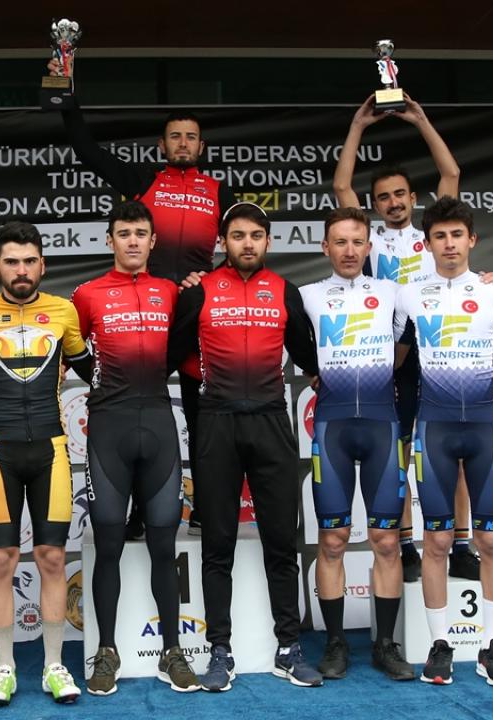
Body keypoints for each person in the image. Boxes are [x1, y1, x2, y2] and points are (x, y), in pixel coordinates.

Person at [48, 54, 236, 538]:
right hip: (144, 309)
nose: (183, 143)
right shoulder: (144, 182)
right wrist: (66, 95)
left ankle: (207, 511)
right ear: (162, 145)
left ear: (202, 146)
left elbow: (246, 244)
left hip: (189, 312)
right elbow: (87, 150)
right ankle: (133, 515)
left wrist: (212, 280)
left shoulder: (219, 190)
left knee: (202, 418)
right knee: (133, 415)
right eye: (175, 136)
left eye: (190, 136)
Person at [167, 203, 322, 692]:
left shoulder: (285, 290)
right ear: (223, 241)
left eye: (256, 235)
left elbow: (309, 356)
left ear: (268, 241)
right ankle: (220, 650)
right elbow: (169, 357)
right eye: (238, 235)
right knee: (218, 545)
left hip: (272, 422)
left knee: (281, 542)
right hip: (217, 423)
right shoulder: (200, 291)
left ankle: (289, 648)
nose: (247, 243)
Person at [332, 94, 481, 582]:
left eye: (400, 194)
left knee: (454, 454)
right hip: (391, 355)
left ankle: (462, 546)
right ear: (374, 206)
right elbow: (341, 186)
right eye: (383, 197)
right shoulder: (369, 241)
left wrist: (420, 119)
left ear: (414, 198)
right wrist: (358, 126)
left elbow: (452, 173)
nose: (393, 203)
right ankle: (407, 544)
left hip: (441, 347)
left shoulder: (432, 234)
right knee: (398, 454)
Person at [0, 221, 94, 705]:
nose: (21, 270)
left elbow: (91, 369)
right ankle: (4, 668)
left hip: (51, 448)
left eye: (30, 261)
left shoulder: (64, 311)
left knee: (52, 557)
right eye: (12, 262)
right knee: (0, 559)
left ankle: (54, 665)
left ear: (42, 265)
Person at [392, 196, 493, 687]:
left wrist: (476, 396)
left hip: (484, 428)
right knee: (437, 540)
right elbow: (393, 360)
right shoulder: (408, 296)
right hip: (434, 429)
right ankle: (439, 645)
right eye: (439, 236)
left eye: (456, 235)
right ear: (426, 245)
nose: (448, 244)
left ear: (472, 240)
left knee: (490, 540)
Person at [70, 201, 199, 695]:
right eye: (123, 233)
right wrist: (102, 383)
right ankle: (106, 651)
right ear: (110, 240)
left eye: (140, 233)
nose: (131, 241)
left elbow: (188, 349)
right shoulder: (87, 294)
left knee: (165, 547)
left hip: (159, 427)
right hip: (109, 428)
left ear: (152, 241)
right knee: (108, 546)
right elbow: (73, 351)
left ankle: (173, 651)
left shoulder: (170, 292)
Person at [298, 206, 416, 682]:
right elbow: (290, 342)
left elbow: (421, 324)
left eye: (357, 242)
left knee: (387, 540)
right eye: (340, 242)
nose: (349, 251)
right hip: (333, 430)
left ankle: (385, 644)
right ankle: (336, 642)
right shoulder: (306, 296)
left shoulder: (393, 293)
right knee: (333, 540)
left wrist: (488, 279)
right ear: (325, 247)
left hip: (383, 428)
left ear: (369, 247)